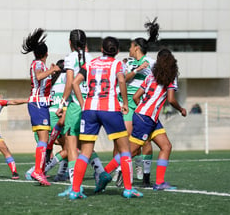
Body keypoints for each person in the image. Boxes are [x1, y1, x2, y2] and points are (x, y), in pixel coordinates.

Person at [70, 36, 143, 199]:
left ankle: (75, 190)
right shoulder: (117, 64)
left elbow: (75, 83)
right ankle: (129, 189)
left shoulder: (89, 64)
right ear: (116, 51)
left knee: (85, 152)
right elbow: (122, 81)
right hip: (110, 108)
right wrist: (125, 102)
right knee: (125, 149)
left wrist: (83, 103)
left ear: (101, 49)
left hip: (89, 109)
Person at [54, 30, 108, 196]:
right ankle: (101, 172)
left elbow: (70, 83)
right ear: (86, 44)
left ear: (70, 42)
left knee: (71, 145)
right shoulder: (93, 58)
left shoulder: (70, 58)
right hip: (93, 104)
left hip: (77, 106)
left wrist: (62, 105)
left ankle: (74, 186)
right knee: (84, 145)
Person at [130, 48, 187, 190]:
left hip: (147, 117)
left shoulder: (151, 76)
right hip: (146, 118)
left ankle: (160, 182)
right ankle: (105, 173)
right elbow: (171, 99)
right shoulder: (170, 77)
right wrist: (181, 109)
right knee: (130, 152)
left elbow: (136, 97)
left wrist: (143, 110)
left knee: (166, 146)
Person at [115, 17, 160, 187]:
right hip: (129, 104)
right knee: (126, 138)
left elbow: (160, 79)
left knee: (145, 140)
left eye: (131, 46)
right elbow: (123, 79)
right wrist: (136, 71)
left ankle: (144, 175)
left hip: (144, 104)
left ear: (137, 48)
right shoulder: (130, 63)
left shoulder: (152, 63)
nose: (129, 49)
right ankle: (125, 168)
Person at [21, 28, 60, 186]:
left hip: (41, 104)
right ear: (46, 53)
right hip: (37, 104)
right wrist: (51, 70)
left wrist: (50, 71)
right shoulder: (37, 64)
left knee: (44, 140)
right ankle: (38, 170)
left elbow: (42, 78)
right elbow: (38, 76)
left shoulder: (41, 65)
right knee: (44, 139)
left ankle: (39, 170)